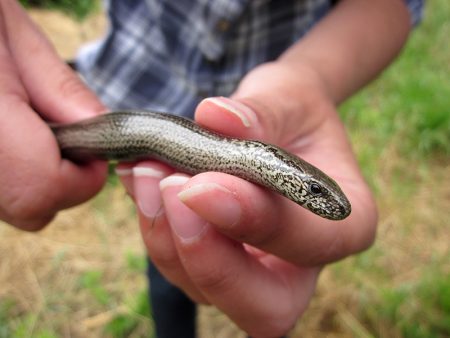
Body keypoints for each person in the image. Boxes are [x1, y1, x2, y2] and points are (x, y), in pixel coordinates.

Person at [0, 0, 423, 337]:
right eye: (313, 192)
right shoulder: (247, 157)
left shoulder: (253, 161)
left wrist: (308, 78)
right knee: (169, 251)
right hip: (115, 95)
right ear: (285, 175)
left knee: (186, 235)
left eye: (313, 195)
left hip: (162, 139)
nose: (317, 201)